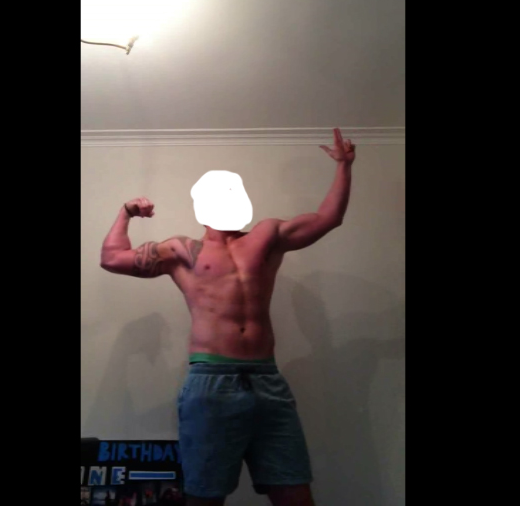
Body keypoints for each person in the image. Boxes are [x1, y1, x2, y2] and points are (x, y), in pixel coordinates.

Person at [100, 129, 355, 506]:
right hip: (211, 380)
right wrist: (125, 213)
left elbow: (328, 218)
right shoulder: (181, 250)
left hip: (267, 380)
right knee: (205, 496)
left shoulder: (267, 235)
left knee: (294, 490)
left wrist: (344, 167)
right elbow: (111, 258)